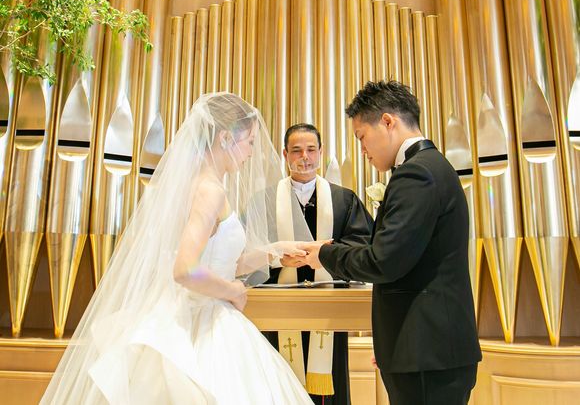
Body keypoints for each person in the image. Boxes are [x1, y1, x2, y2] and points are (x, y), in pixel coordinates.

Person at [41, 93, 314, 404]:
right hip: (200, 320)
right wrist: (233, 291)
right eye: (249, 142)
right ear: (225, 138)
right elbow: (185, 269)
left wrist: (275, 251)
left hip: (195, 309)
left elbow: (221, 263)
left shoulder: (202, 185)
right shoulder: (209, 191)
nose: (251, 152)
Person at [300, 81, 482, 405]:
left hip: (428, 354)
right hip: (422, 349)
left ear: (387, 122)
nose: (362, 149)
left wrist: (324, 254)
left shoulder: (417, 174)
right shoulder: (428, 168)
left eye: (362, 137)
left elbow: (383, 260)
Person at [265, 124, 373, 405]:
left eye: (311, 150)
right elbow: (250, 249)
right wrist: (277, 258)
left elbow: (362, 246)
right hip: (280, 308)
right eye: (297, 150)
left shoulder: (343, 200)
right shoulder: (265, 201)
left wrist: (328, 255)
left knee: (329, 384)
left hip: (328, 306)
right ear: (285, 154)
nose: (305, 157)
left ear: (321, 152)